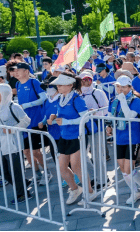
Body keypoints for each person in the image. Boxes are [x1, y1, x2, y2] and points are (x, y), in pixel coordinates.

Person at [50, 73, 96, 205]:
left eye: (60, 84)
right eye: (57, 84)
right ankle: (75, 189)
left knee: (77, 167)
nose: (57, 86)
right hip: (64, 136)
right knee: (61, 167)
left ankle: (90, 192)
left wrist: (66, 122)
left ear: (70, 85)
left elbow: (85, 117)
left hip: (77, 136)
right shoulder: (60, 98)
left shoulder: (77, 99)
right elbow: (61, 114)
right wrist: (54, 117)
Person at [106, 75, 140, 205]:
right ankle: (135, 191)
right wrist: (108, 125)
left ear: (130, 87)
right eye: (119, 86)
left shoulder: (135, 100)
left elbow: (130, 116)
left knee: (129, 169)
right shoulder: (114, 99)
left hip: (133, 137)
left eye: (124, 87)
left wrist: (123, 100)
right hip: (119, 137)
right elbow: (110, 115)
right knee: (123, 169)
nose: (121, 89)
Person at [0, 83, 33, 204]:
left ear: (5, 94)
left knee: (15, 172)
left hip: (13, 145)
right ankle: (23, 183)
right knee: (1, 171)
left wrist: (12, 129)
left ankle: (23, 194)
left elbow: (26, 121)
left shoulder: (14, 107)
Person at [15, 62, 50, 185]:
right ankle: (37, 174)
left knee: (35, 151)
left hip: (36, 121)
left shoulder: (34, 82)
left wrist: (26, 105)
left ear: (26, 71)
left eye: (18, 70)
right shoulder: (17, 83)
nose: (16, 72)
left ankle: (47, 173)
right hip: (24, 123)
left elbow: (44, 98)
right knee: (26, 151)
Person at [79, 71, 110, 189]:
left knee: (97, 154)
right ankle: (93, 176)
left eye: (88, 79)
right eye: (83, 80)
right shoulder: (78, 94)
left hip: (97, 126)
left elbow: (106, 109)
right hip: (83, 128)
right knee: (83, 154)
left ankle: (102, 180)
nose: (86, 82)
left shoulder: (98, 92)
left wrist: (94, 112)